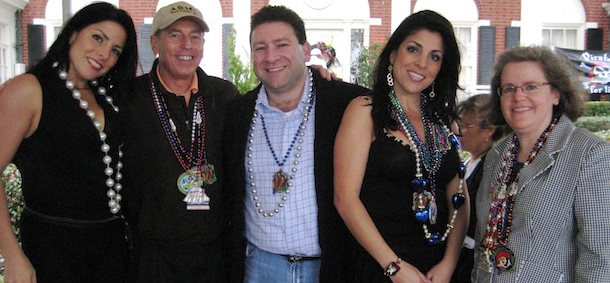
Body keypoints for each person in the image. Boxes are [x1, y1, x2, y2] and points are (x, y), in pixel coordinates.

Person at [223, 5, 369, 282]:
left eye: (282, 44)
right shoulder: (237, 114)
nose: (271, 57)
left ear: (305, 50)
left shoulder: (344, 104)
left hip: (329, 268)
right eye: (260, 48)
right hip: (259, 267)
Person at [0, 2, 138, 282]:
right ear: (73, 33)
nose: (104, 54)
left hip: (110, 247)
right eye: (98, 37)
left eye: (115, 50)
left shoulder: (105, 95)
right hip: (52, 247)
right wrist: (12, 255)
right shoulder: (29, 89)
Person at [333, 10, 469, 282]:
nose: (421, 63)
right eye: (413, 49)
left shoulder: (444, 122)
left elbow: (460, 202)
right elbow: (345, 199)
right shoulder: (364, 112)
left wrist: (449, 263)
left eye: (434, 57)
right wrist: (393, 267)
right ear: (394, 54)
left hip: (436, 270)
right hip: (381, 267)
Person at [119, 1, 238, 282]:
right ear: (155, 43)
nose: (187, 45)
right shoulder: (129, 99)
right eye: (175, 35)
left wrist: (313, 77)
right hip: (152, 258)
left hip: (214, 256)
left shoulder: (224, 96)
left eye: (195, 36)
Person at [472, 45, 610, 282]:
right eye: (509, 89)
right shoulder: (497, 157)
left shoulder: (589, 154)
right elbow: (484, 243)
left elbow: (600, 259)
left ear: (556, 93)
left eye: (531, 87)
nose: (518, 96)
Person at [451, 94, 504, 283]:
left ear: (488, 130)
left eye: (465, 126)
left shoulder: (492, 167)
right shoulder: (470, 161)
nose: (459, 132)